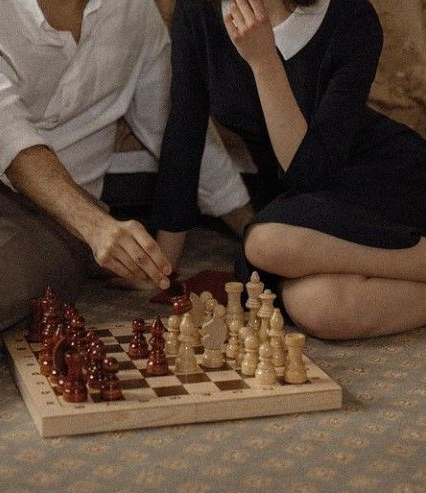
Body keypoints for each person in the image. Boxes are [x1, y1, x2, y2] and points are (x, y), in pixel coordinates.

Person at [0, 0, 251, 423]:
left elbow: (174, 126)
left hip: (47, 224)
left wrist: (255, 228)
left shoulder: (134, 13)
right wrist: (99, 226)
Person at [152, 0, 426, 340]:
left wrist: (264, 60)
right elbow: (184, 133)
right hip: (300, 204)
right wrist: (161, 266)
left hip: (382, 177)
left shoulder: (352, 17)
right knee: (316, 306)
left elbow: (309, 172)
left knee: (264, 243)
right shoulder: (199, 10)